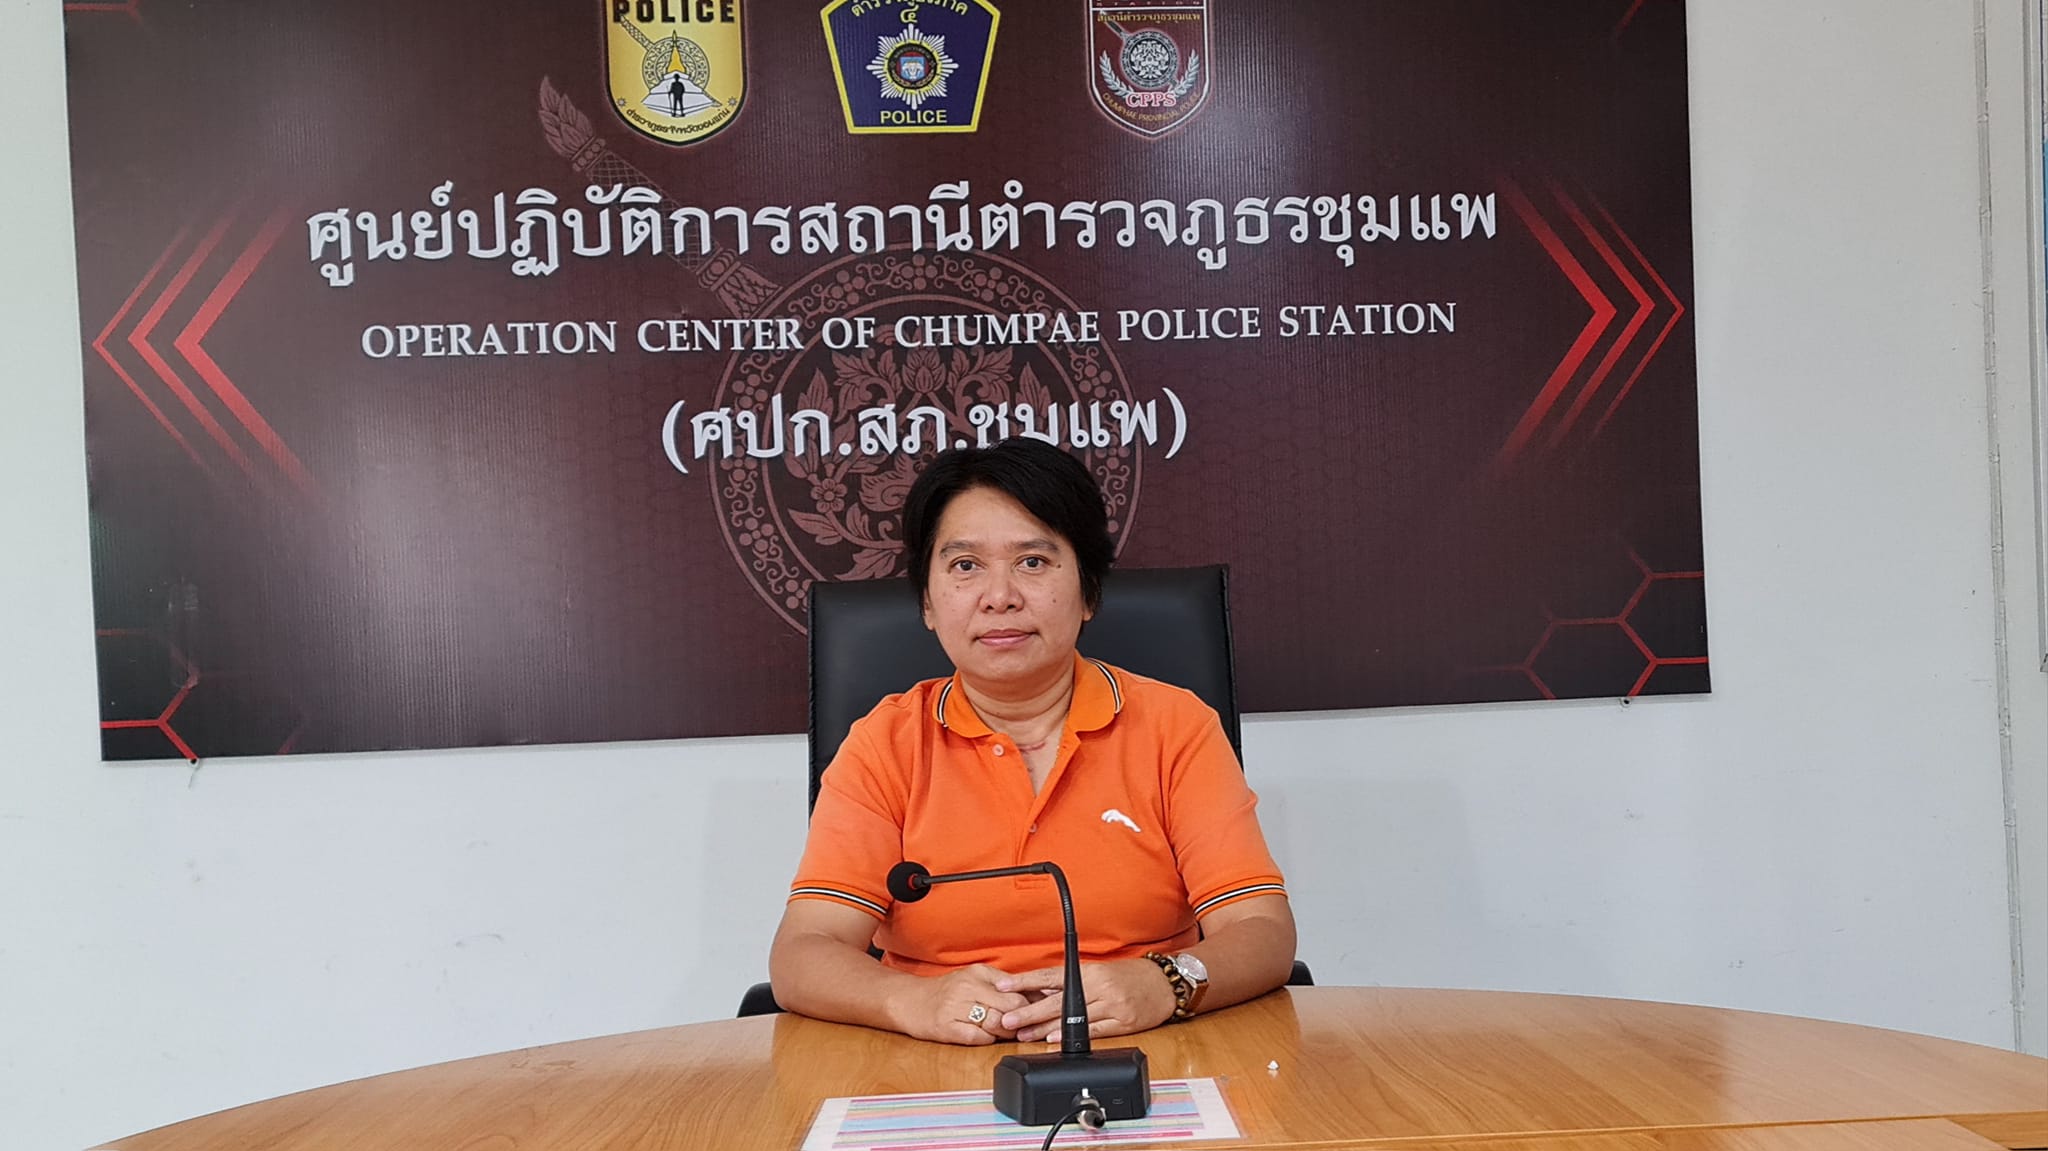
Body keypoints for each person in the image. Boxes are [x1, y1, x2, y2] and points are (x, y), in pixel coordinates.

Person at [768, 438, 1297, 1046]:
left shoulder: (1175, 726)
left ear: (1089, 592)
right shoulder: (884, 744)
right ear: (927, 603)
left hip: (1144, 1045)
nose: (1000, 596)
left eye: (1033, 561)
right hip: (934, 1053)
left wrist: (1167, 981)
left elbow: (1262, 930)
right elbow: (803, 952)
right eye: (965, 566)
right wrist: (911, 1001)